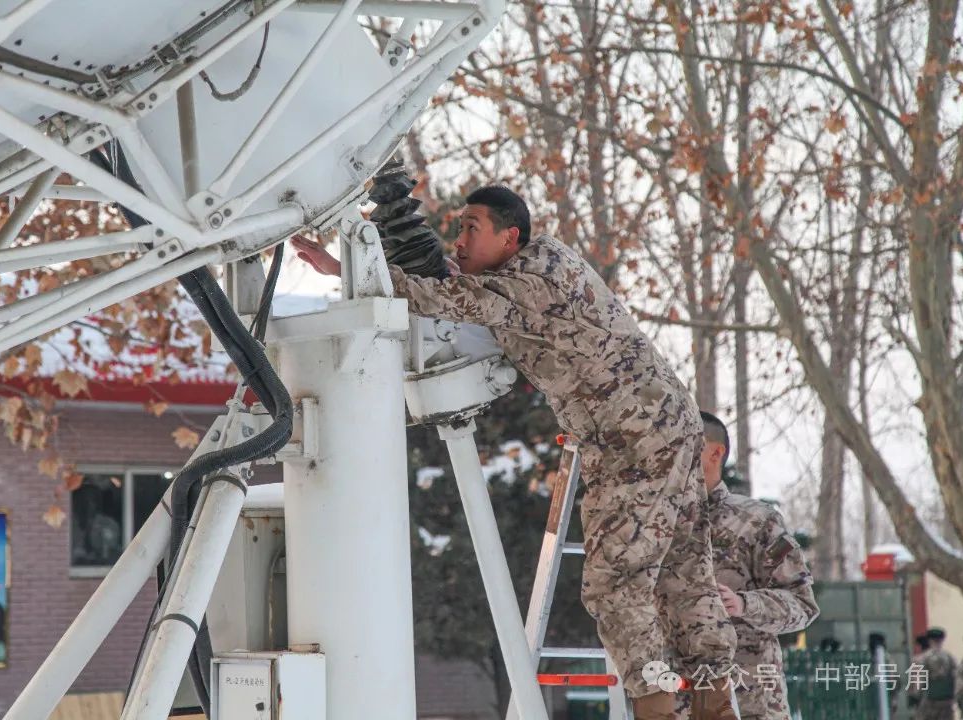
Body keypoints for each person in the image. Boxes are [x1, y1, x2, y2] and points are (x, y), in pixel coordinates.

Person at [292, 185, 738, 719]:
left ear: (510, 237)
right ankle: (719, 708)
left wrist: (345, 267)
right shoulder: (542, 267)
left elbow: (450, 300)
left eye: (471, 228)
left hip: (629, 443)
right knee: (684, 573)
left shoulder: (527, 284)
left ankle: (657, 711)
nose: (459, 241)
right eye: (459, 228)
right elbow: (472, 292)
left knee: (616, 583)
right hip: (671, 427)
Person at [675, 412, 817, 720]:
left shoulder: (758, 522)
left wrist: (743, 604)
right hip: (675, 699)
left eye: (686, 446)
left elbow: (803, 605)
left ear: (715, 453)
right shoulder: (655, 525)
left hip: (748, 701)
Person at [911, 627, 956, 720]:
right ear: (942, 640)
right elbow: (955, 678)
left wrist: (914, 697)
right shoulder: (950, 657)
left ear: (929, 640)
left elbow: (918, 683)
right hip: (946, 702)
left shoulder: (921, 658)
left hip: (928, 702)